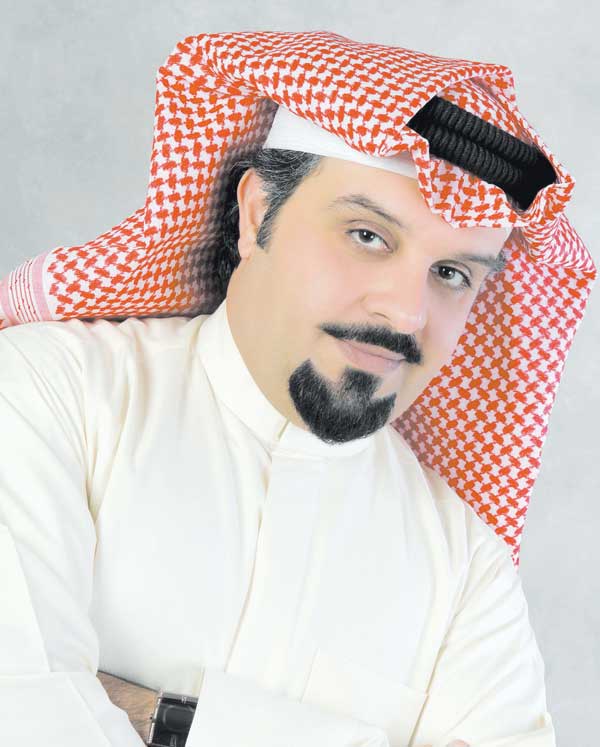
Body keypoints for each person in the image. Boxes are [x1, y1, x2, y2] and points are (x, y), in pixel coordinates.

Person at [0, 30, 595, 747]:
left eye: (452, 274)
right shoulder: (49, 394)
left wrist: (165, 719)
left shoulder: (467, 568)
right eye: (368, 236)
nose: (406, 312)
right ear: (258, 215)